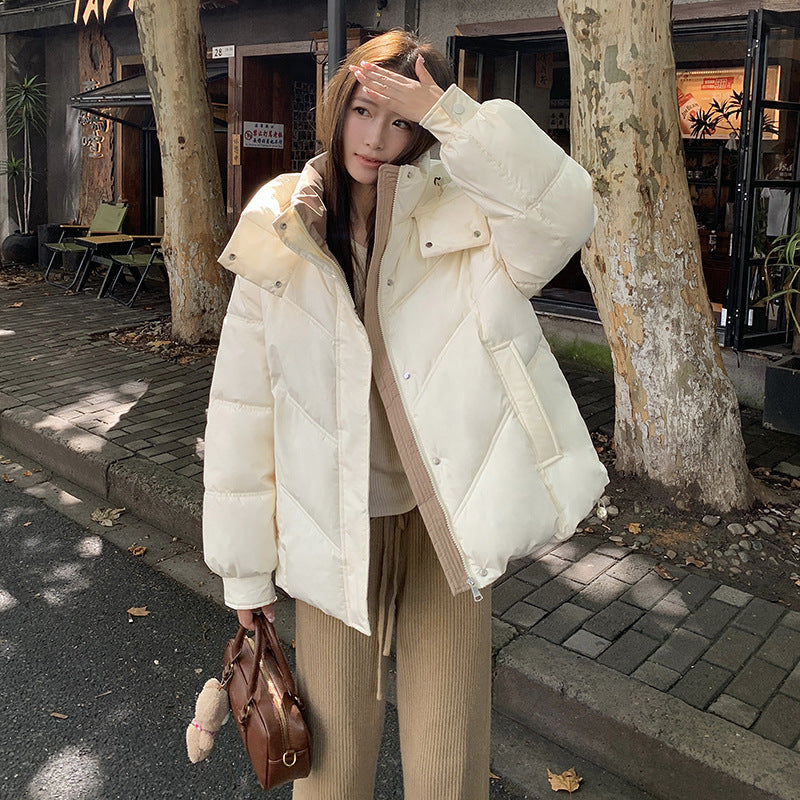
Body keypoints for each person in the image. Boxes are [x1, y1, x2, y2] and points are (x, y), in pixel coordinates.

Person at [203, 29, 607, 800]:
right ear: (337, 108)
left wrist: (454, 114)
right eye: (363, 111)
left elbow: (565, 214)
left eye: (401, 121)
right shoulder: (281, 223)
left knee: (449, 771)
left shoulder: (467, 215)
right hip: (334, 529)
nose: (377, 138)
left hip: (440, 526)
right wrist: (245, 570)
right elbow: (243, 407)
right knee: (331, 775)